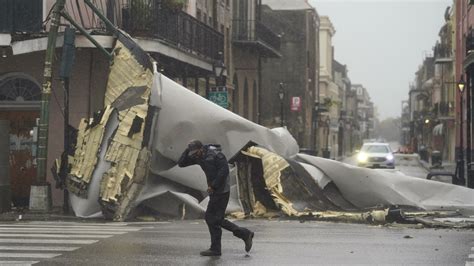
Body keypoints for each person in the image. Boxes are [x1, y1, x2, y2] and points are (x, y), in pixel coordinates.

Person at [178, 140, 254, 256]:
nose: (194, 155)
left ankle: (239, 236)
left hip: (222, 190)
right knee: (213, 219)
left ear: (201, 149)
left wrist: (214, 186)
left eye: (195, 152)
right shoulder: (198, 156)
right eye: (193, 153)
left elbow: (224, 172)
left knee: (213, 218)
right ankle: (223, 244)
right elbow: (181, 163)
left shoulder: (216, 155)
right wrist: (187, 149)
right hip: (214, 190)